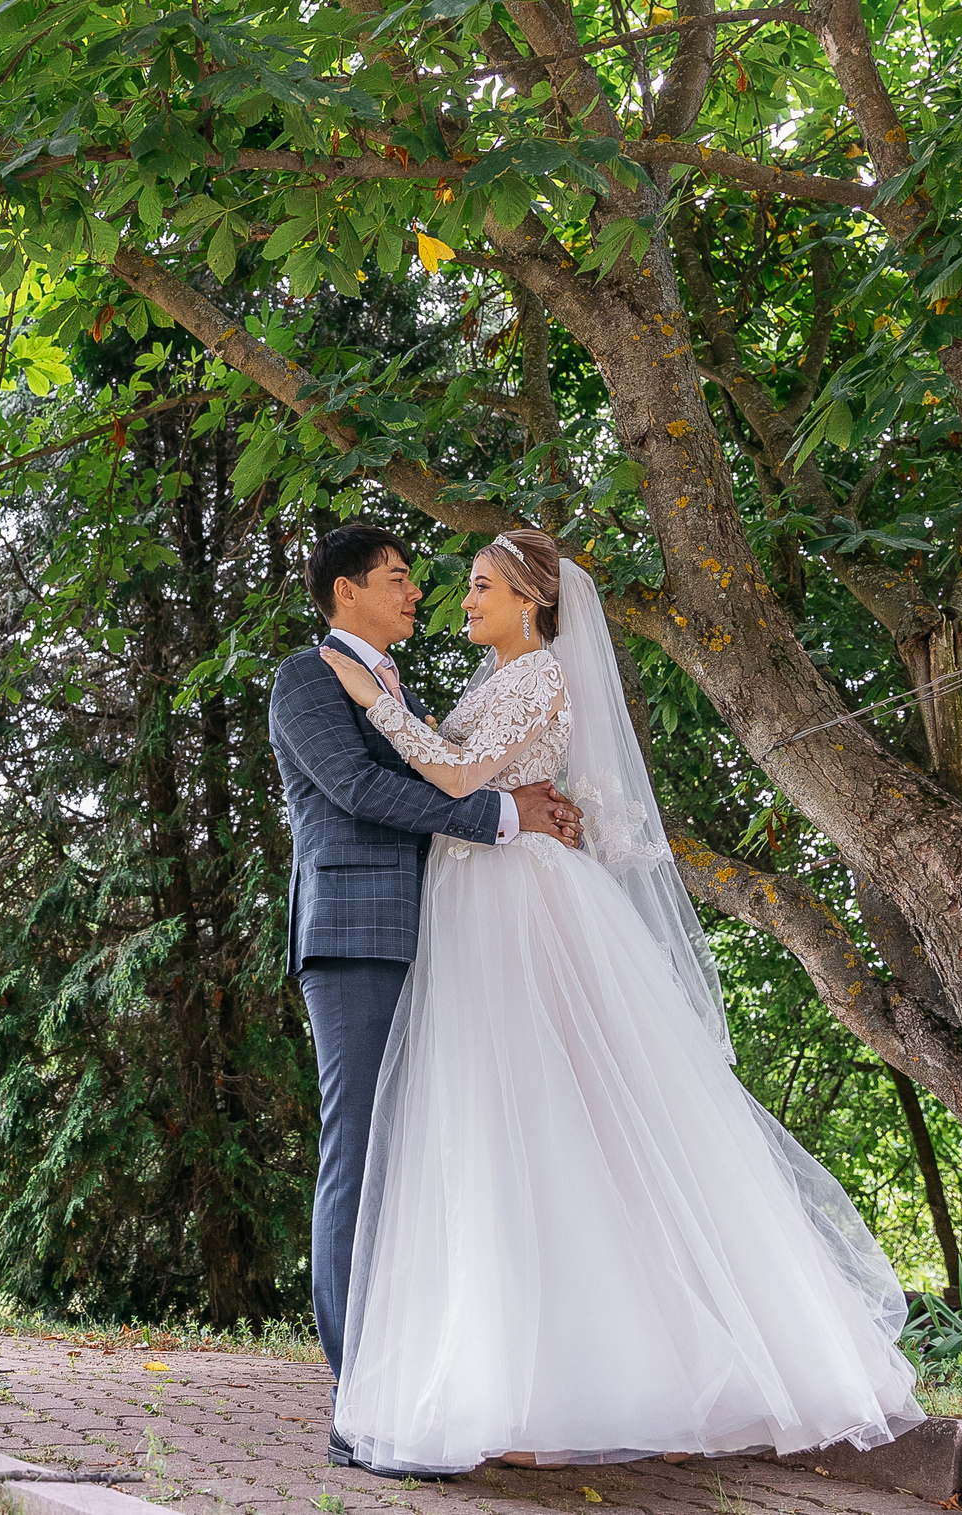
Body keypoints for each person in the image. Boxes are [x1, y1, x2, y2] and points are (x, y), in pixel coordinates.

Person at [318, 527, 924, 1477]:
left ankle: (562, 1383)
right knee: (496, 1124)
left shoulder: (540, 677)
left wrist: (375, 703)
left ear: (531, 598)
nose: (461, 601)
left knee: (551, 1114)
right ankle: (506, 1375)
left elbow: (456, 775)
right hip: (478, 901)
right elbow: (462, 776)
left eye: (480, 587)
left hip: (520, 907)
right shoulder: (491, 680)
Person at [265, 523, 584, 1472]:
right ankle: (354, 1396)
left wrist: (530, 804)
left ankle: (422, 1381)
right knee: (358, 1155)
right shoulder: (309, 677)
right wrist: (502, 813)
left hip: (441, 937)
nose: (418, 592)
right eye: (398, 578)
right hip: (358, 936)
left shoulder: (402, 686)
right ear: (344, 591)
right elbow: (360, 789)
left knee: (428, 1162)